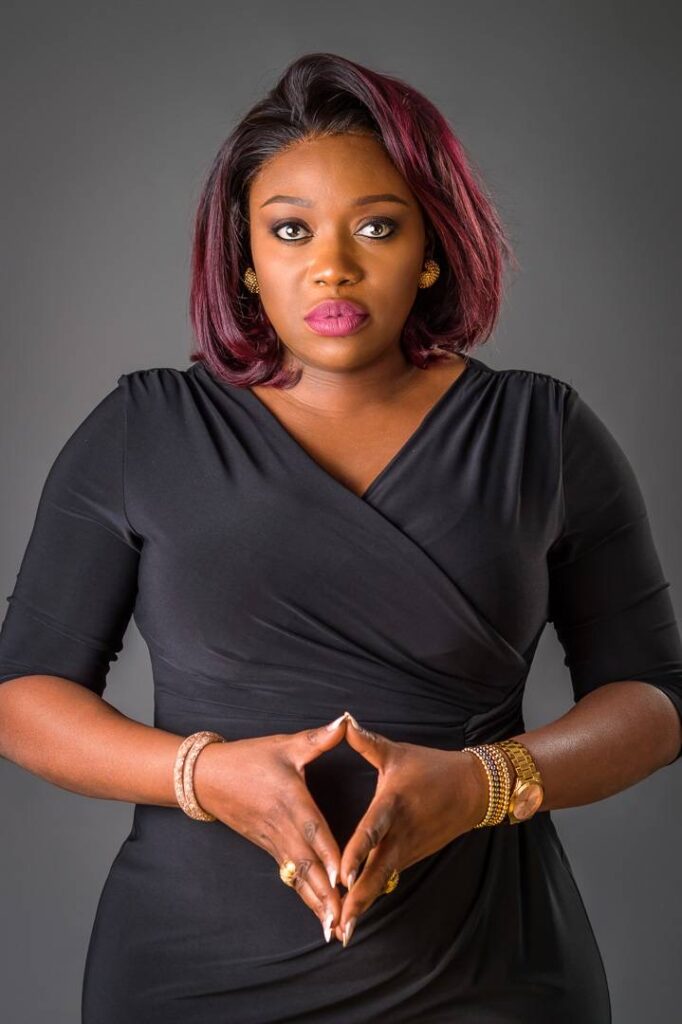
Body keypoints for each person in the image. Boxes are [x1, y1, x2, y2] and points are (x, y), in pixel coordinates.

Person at [0, 50, 680, 1024]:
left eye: (377, 226)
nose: (333, 265)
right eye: (290, 229)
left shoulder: (544, 434)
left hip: (489, 974)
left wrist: (486, 783)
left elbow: (655, 699)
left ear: (432, 247)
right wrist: (205, 775)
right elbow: (22, 696)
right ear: (244, 258)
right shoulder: (142, 431)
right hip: (190, 974)